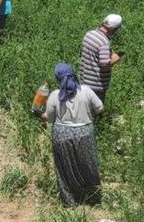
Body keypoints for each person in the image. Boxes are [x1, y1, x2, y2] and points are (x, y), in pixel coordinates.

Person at [43, 63, 104, 207]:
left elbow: (50, 118)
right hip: (84, 133)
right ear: (73, 74)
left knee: (65, 169)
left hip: (62, 134)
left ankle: (70, 202)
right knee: (89, 166)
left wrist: (43, 116)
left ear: (58, 78)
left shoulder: (54, 95)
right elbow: (100, 108)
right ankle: (94, 199)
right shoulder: (86, 91)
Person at [79, 14, 123, 103]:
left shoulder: (89, 34)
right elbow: (104, 65)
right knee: (97, 111)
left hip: (84, 81)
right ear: (113, 29)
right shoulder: (104, 42)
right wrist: (116, 58)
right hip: (96, 86)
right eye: (117, 29)